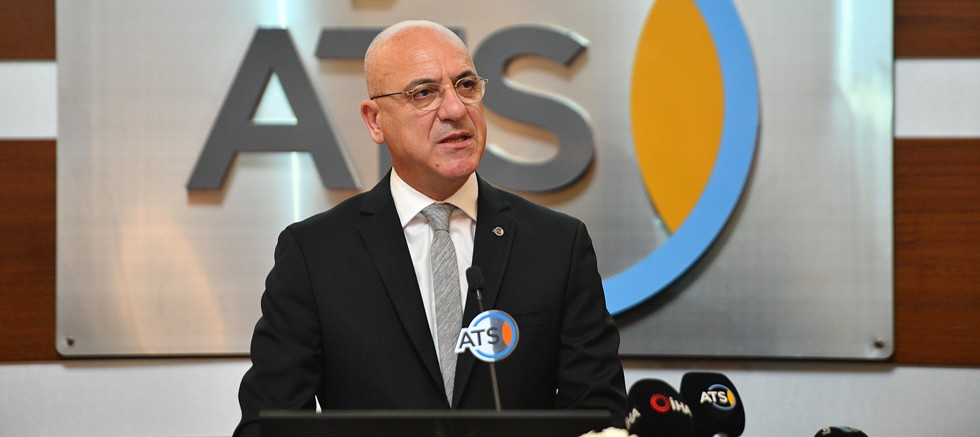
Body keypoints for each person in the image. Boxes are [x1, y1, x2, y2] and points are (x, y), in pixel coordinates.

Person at [234, 20, 627, 437]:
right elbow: (266, 425)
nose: (455, 109)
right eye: (424, 93)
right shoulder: (314, 254)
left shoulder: (557, 245)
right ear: (375, 121)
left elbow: (599, 415)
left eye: (466, 85)